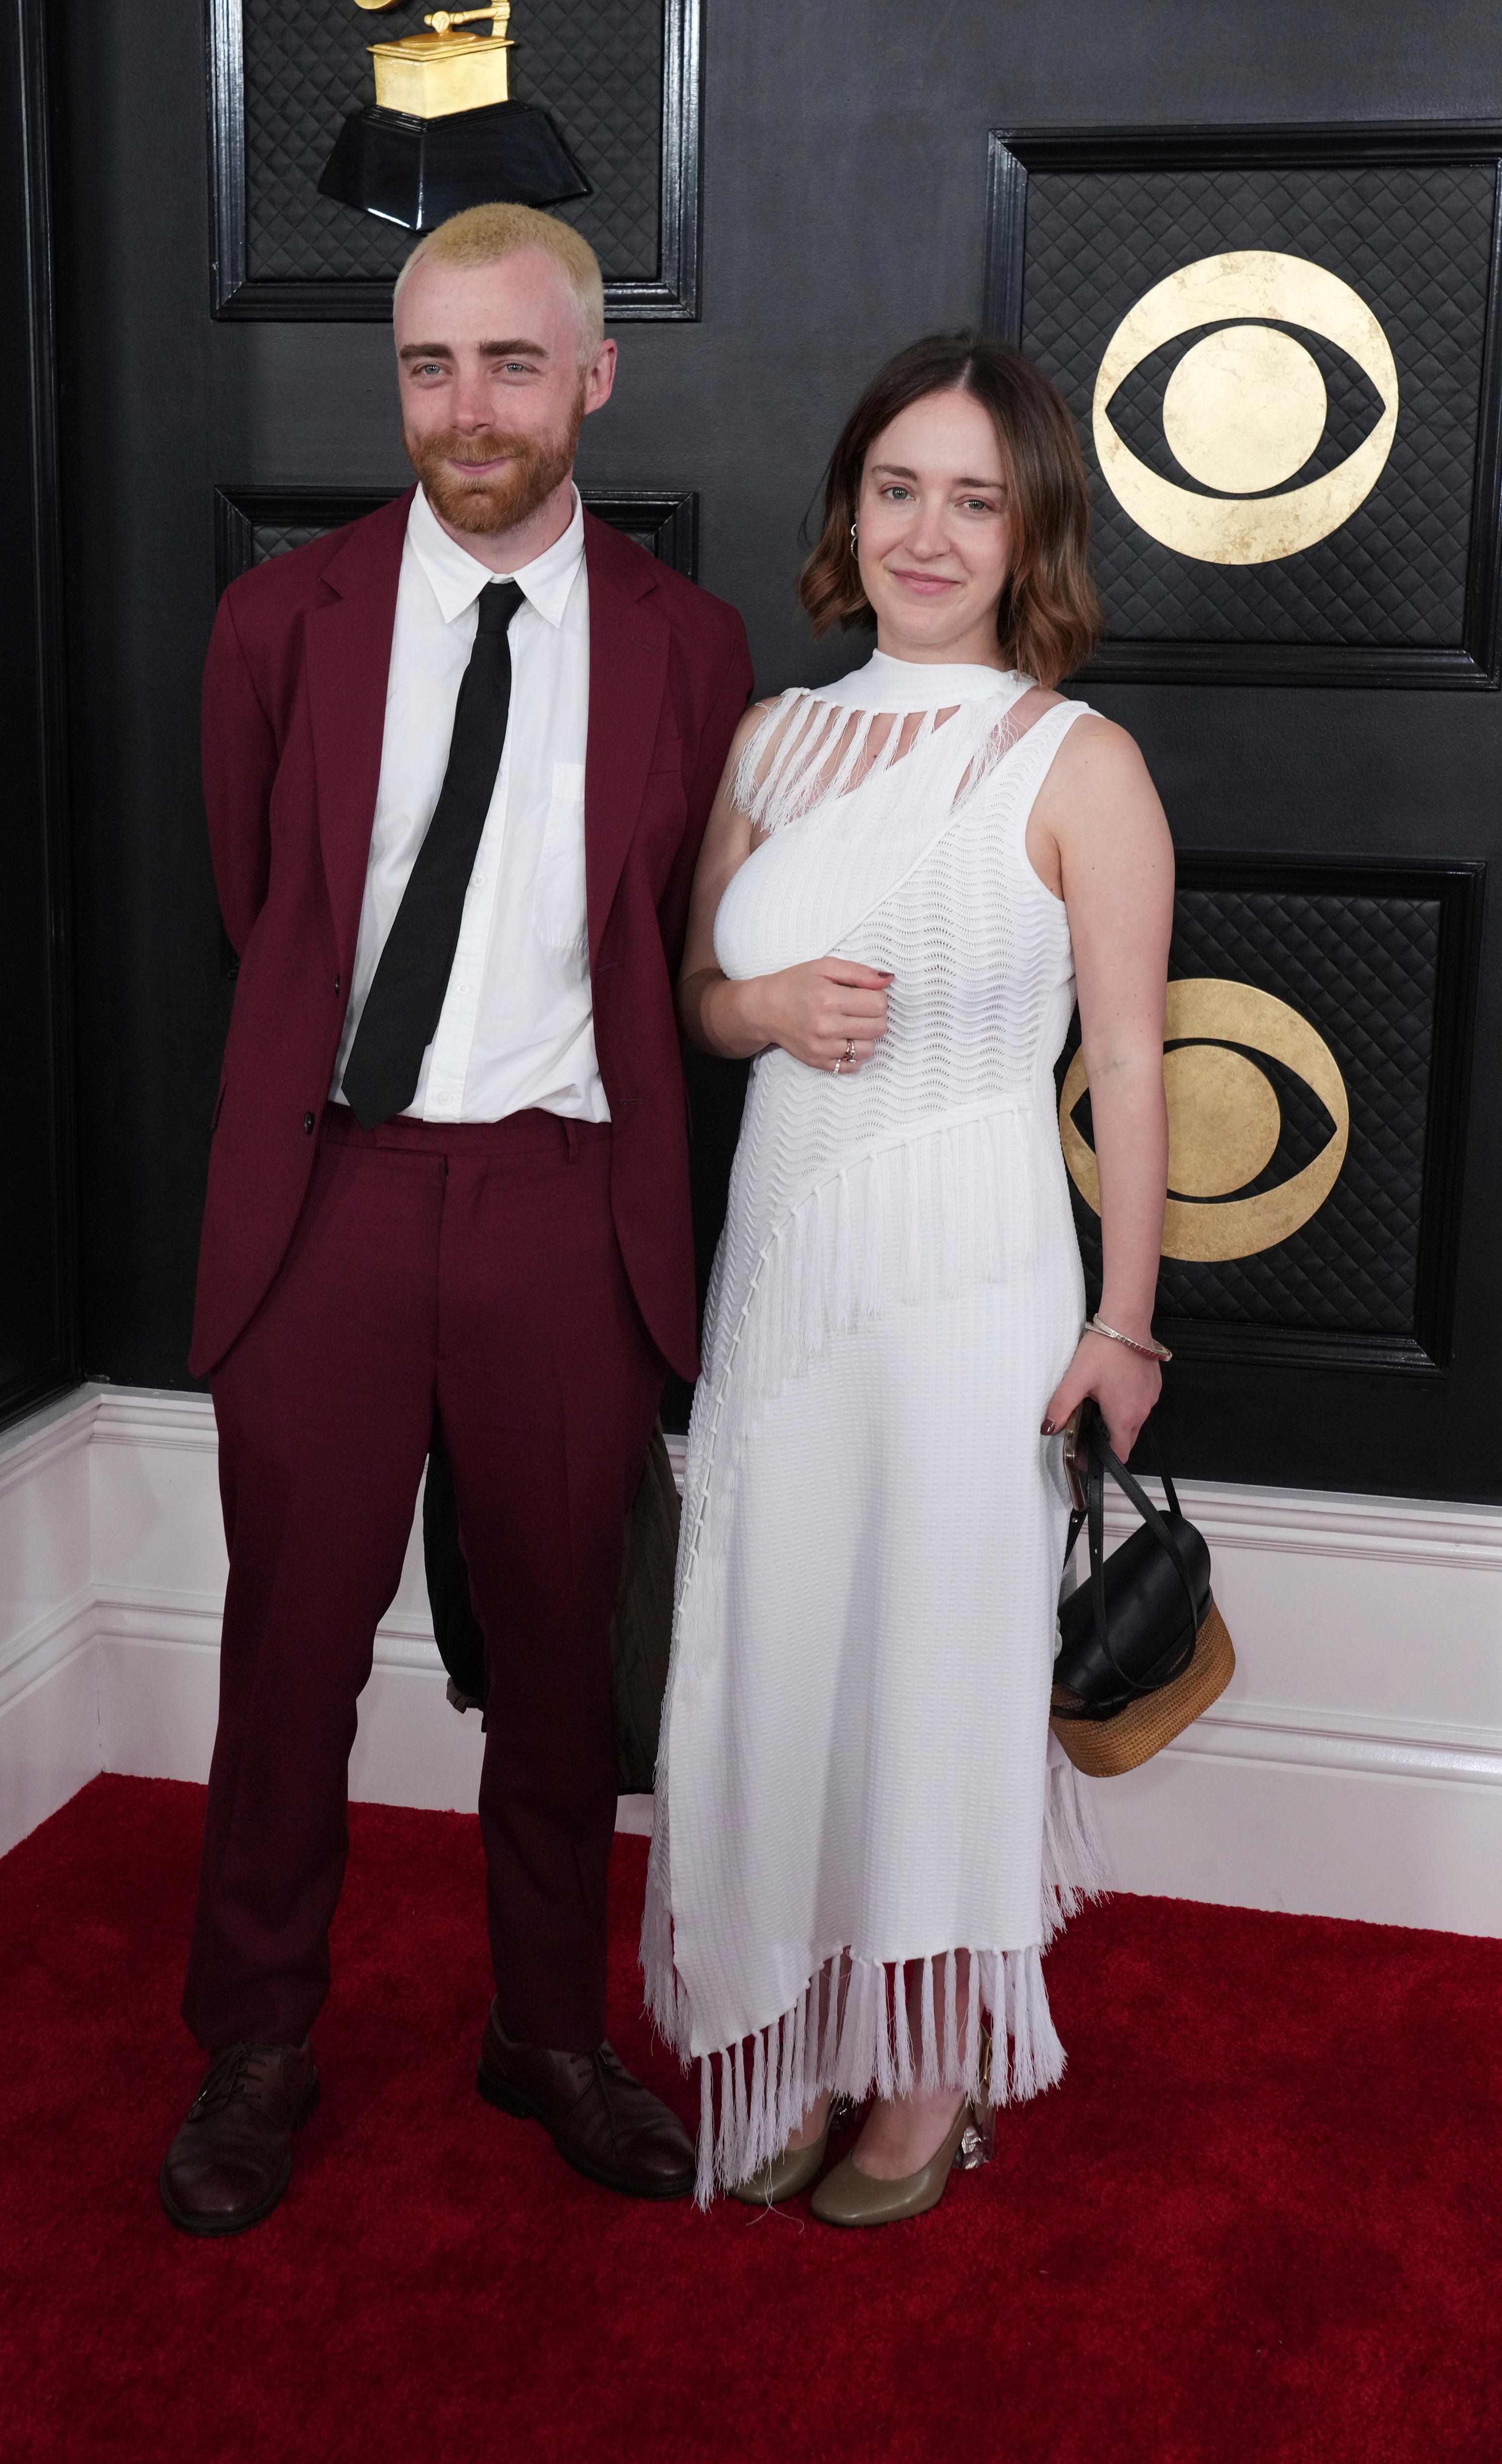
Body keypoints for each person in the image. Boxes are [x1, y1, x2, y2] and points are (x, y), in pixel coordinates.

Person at [160, 203, 752, 2233]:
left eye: (512, 363)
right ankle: (258, 2037)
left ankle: (547, 2032)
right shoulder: (281, 626)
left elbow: (672, 933)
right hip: (329, 1191)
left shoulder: (689, 644)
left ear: (593, 376)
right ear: (396, 379)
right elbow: (266, 909)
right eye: (430, 365)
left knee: (568, 1663)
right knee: (289, 1654)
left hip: (563, 1200)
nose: (468, 407)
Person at [641, 332, 1173, 2219]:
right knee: (782, 1648)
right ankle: (792, 2030)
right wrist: (764, 1006)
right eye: (898, 490)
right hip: (782, 1281)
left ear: (1026, 528)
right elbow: (702, 1003)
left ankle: (932, 2072)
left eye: (973, 498)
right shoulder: (774, 739)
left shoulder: (1077, 760)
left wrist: (1125, 1321)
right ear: (849, 508)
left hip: (973, 1288)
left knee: (935, 1660)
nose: (929, 535)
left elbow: (1125, 1061)